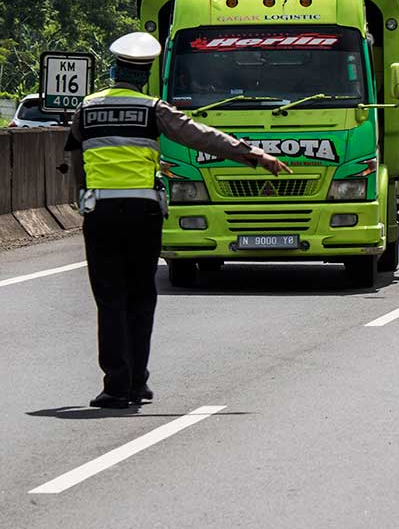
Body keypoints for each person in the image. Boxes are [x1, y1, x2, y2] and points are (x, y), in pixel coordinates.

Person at [65, 32, 291, 408]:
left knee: (110, 299)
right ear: (146, 73)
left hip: (101, 213)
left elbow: (76, 158)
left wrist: (84, 197)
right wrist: (253, 154)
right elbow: (200, 136)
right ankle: (138, 382)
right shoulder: (154, 109)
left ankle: (116, 386)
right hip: (144, 213)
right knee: (141, 296)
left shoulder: (86, 109)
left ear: (114, 69)